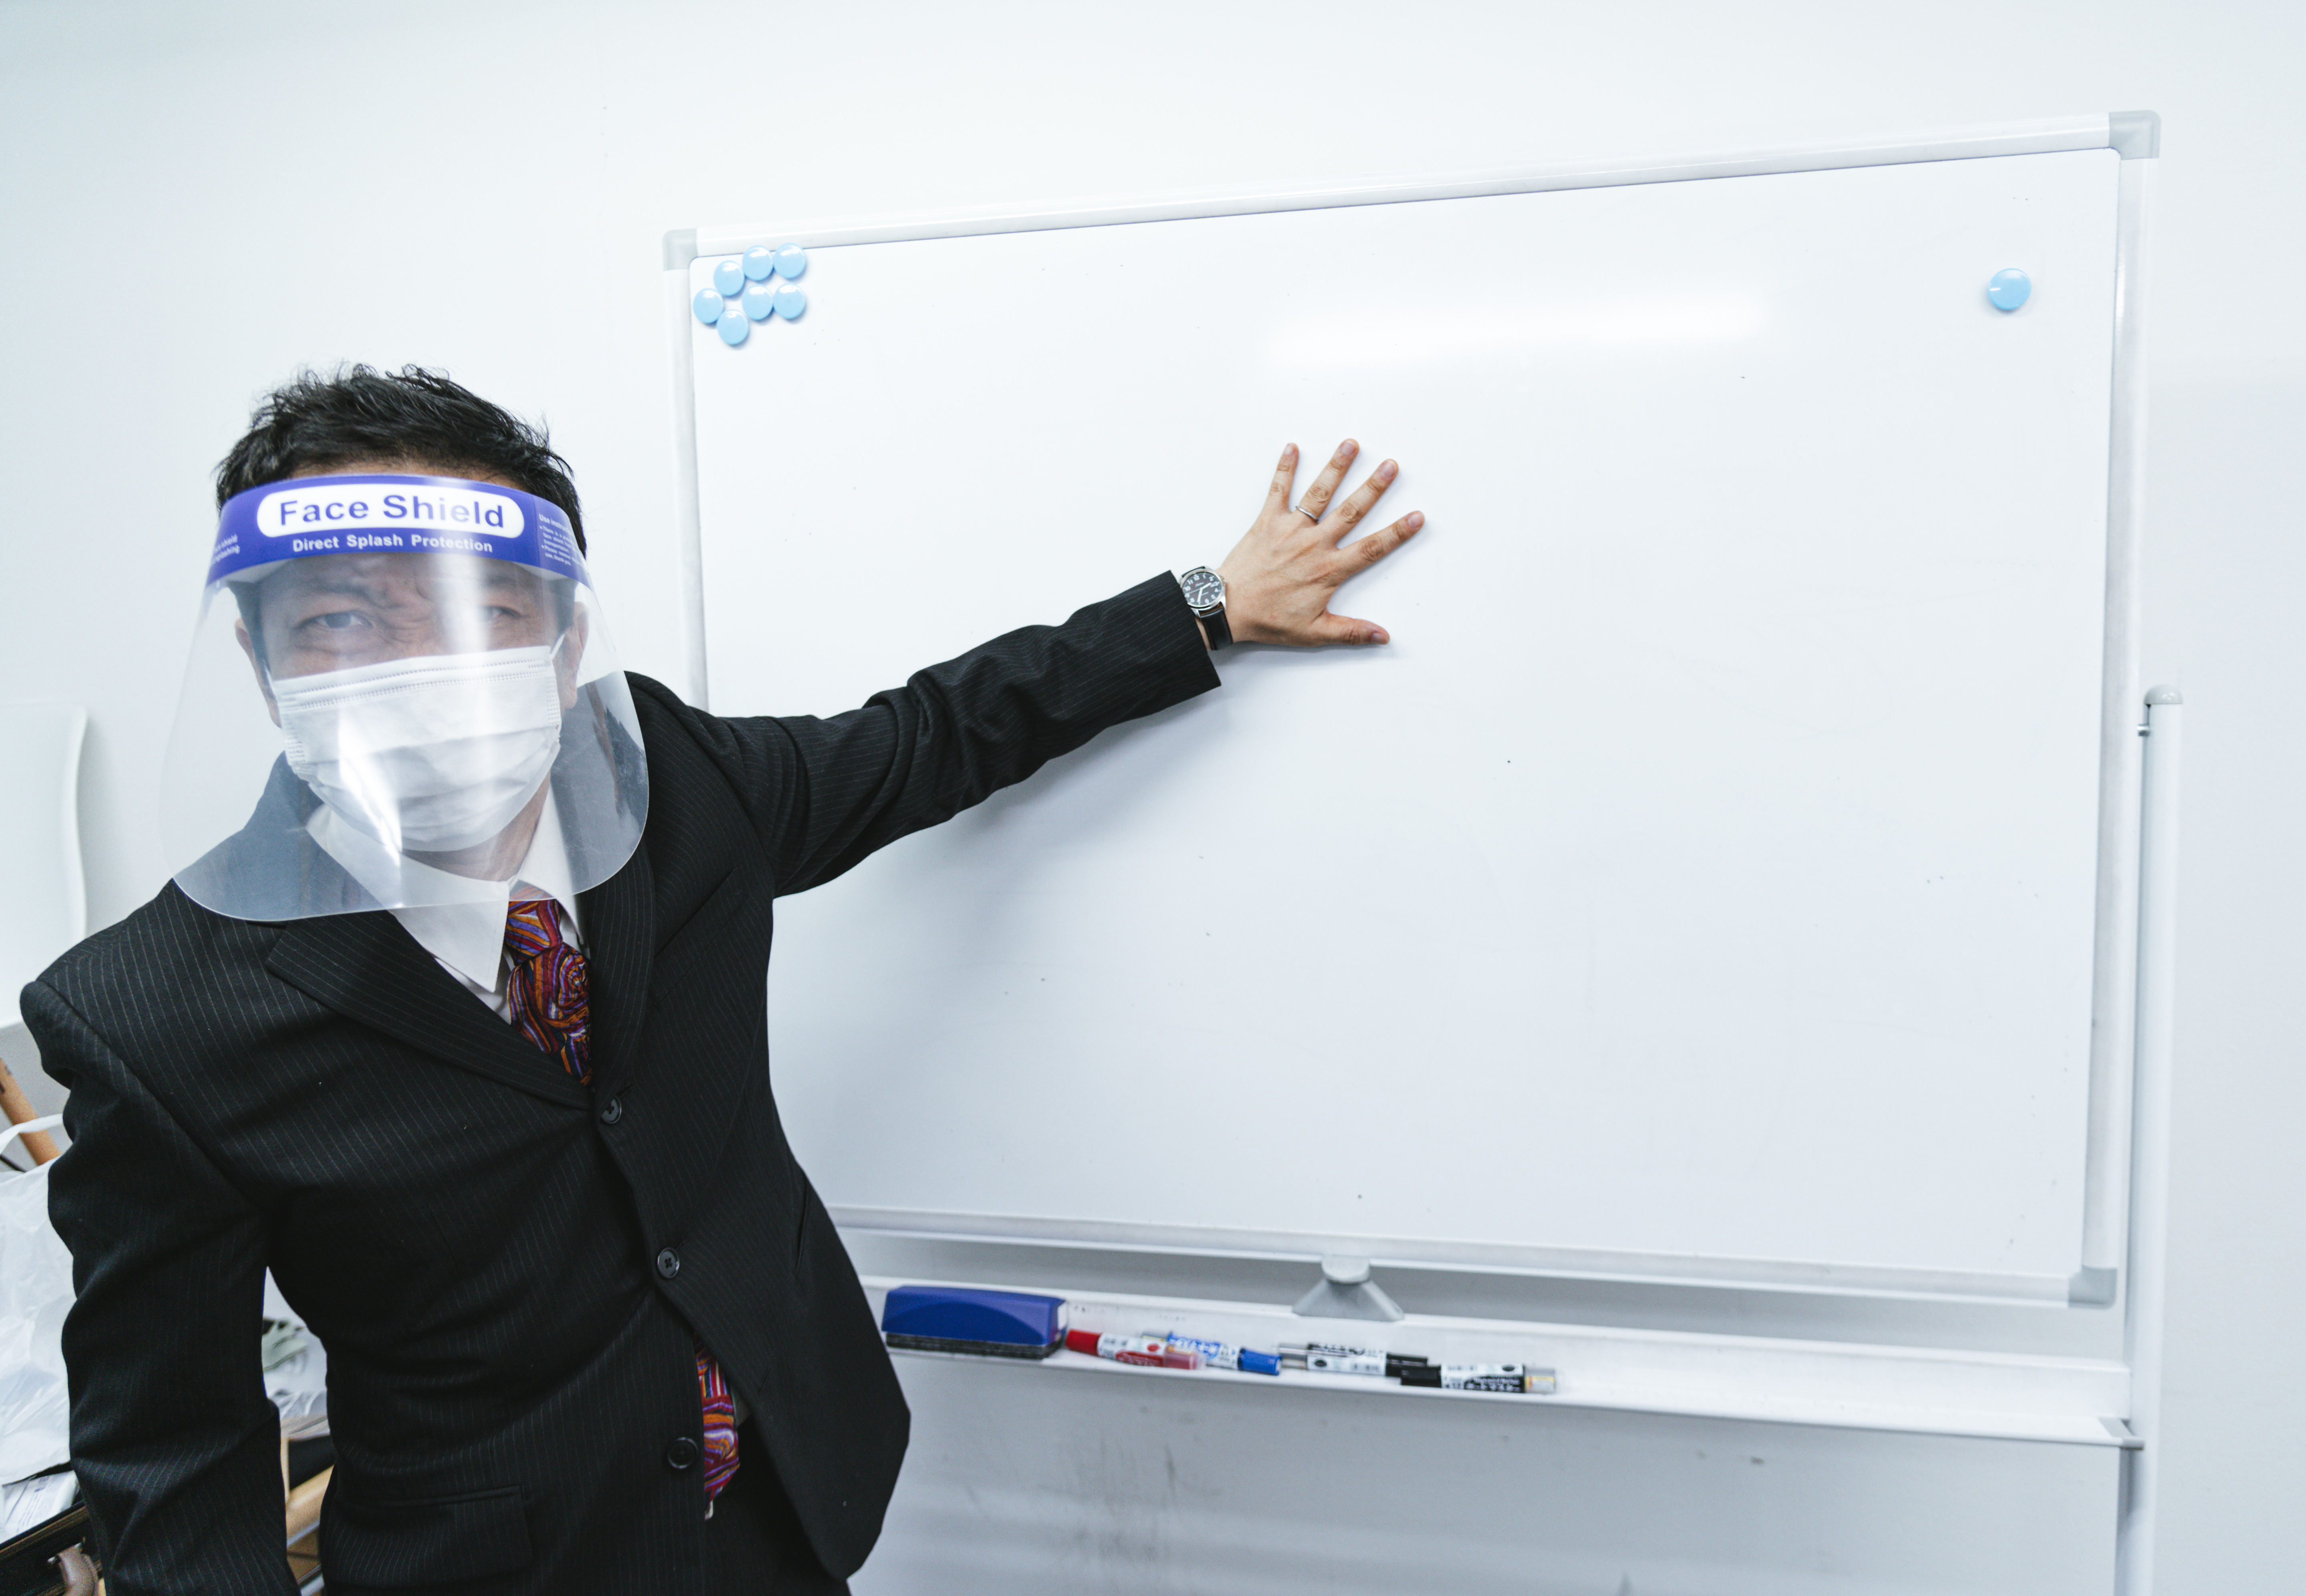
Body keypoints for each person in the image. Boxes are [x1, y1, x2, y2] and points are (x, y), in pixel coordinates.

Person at [24, 366, 1423, 1595]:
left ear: (565, 642)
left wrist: (1206, 607)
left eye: (482, 608)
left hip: (789, 1497)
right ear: (260, 658)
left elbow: (928, 738)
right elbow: (174, 1457)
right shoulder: (153, 1016)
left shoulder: (664, 780)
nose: (420, 668)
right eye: (342, 621)